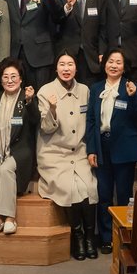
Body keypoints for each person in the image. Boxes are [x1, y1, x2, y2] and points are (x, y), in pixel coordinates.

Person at [36, 52, 100, 260]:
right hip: (54, 153)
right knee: (71, 188)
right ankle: (77, 236)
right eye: (62, 64)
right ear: (56, 68)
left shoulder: (85, 90)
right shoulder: (45, 91)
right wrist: (52, 109)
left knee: (89, 188)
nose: (66, 68)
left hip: (80, 152)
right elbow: (46, 129)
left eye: (70, 64)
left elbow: (91, 122)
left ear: (76, 68)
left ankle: (89, 237)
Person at [85, 49, 137, 253]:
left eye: (118, 62)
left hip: (124, 148)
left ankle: (125, 235)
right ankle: (107, 237)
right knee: (104, 194)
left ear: (124, 67)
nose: (114, 65)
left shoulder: (131, 87)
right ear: (104, 64)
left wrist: (133, 97)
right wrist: (91, 149)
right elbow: (91, 121)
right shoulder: (96, 88)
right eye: (111, 61)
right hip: (102, 146)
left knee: (125, 195)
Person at [0, 58, 40, 235]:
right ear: (1, 80)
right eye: (5, 76)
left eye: (14, 76)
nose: (10, 80)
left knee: (5, 169)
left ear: (21, 79)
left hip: (20, 151)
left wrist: (30, 102)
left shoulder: (26, 97)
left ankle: (8, 217)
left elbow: (35, 121)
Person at [54, 0, 116, 86]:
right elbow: (56, 19)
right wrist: (68, 6)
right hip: (67, 54)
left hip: (91, 55)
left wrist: (102, 51)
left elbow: (103, 27)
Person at [2, 0, 60, 90]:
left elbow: (58, 15)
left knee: (40, 95)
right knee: (17, 95)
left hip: (39, 54)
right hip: (14, 54)